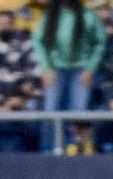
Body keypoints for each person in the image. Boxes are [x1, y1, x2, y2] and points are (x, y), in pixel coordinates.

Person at [32, 0, 104, 149]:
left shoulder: (88, 15)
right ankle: (50, 148)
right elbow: (38, 41)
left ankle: (77, 147)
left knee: (79, 110)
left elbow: (99, 42)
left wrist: (90, 68)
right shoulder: (50, 16)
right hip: (55, 70)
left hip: (81, 70)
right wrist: (46, 68)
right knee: (50, 110)